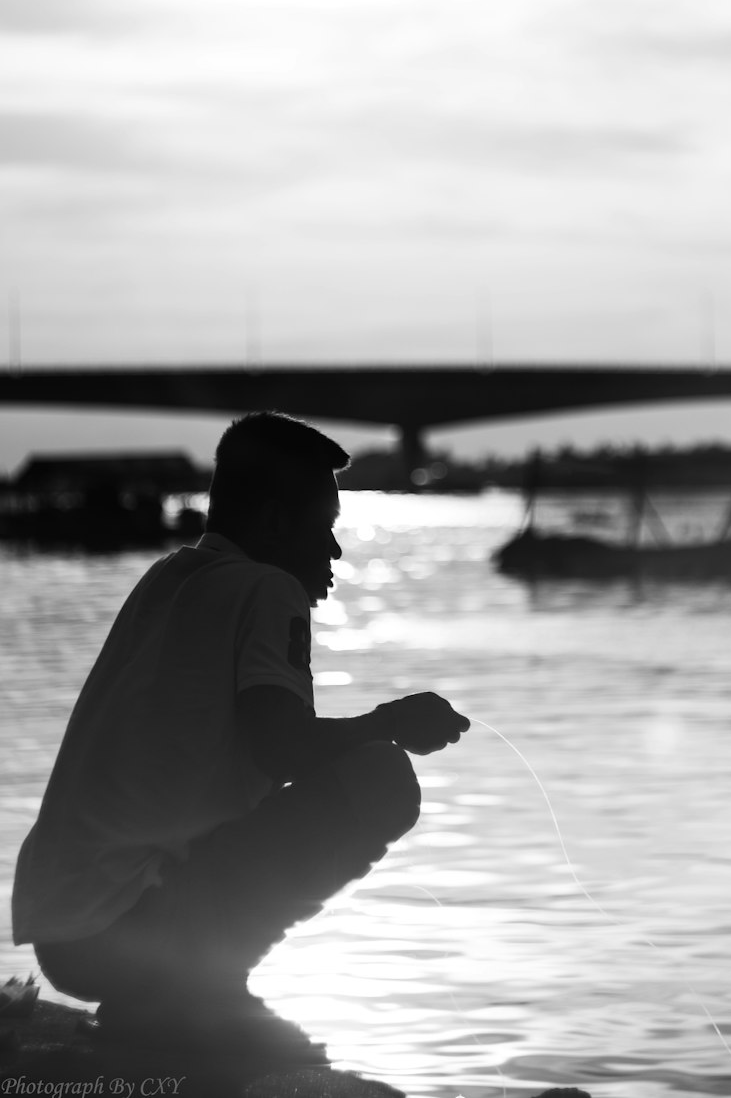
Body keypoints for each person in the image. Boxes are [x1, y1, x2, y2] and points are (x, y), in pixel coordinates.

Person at [11, 410, 470, 1057]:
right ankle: (196, 988)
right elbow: (279, 747)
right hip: (131, 926)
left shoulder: (170, 579)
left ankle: (182, 990)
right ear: (276, 522)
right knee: (380, 775)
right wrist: (391, 723)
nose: (336, 551)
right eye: (326, 528)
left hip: (67, 936)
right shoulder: (268, 588)